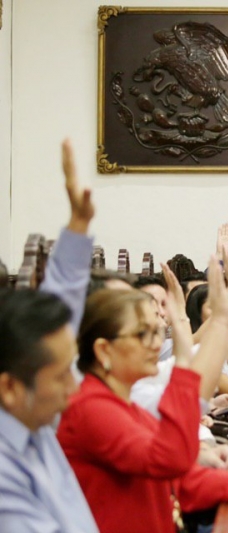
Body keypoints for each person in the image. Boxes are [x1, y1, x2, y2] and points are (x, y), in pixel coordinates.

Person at [57, 258, 228, 533]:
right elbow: (170, 460)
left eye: (155, 331)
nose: (156, 343)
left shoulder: (123, 405)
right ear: (104, 351)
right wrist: (217, 326)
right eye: (142, 333)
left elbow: (181, 481)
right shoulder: (89, 408)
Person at [0, 139, 99, 532]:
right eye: (61, 377)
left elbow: (58, 317)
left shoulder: (31, 415)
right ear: (9, 388)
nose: (74, 389)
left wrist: (78, 226)